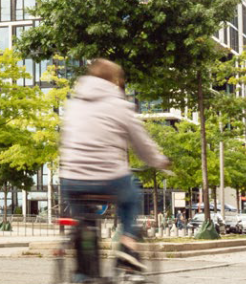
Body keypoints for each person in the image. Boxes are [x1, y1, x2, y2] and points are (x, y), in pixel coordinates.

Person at [59, 59, 169, 272]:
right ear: (115, 81)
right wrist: (159, 161)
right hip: (108, 177)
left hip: (71, 178)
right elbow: (142, 144)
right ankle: (127, 248)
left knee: (84, 226)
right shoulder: (119, 105)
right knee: (132, 195)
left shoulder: (73, 104)